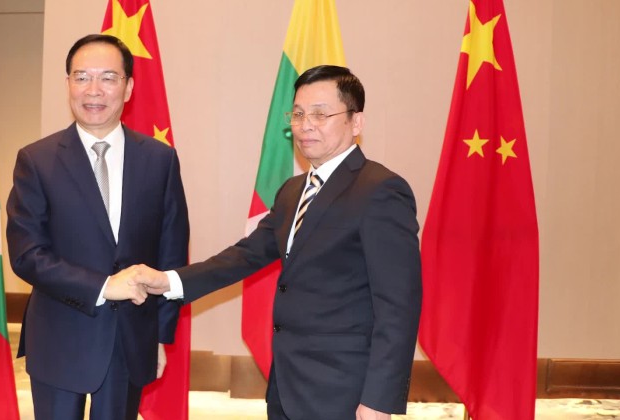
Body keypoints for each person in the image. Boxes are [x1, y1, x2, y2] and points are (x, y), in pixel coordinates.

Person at [130, 65, 421, 420]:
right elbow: (245, 256)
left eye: (320, 114)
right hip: (286, 386)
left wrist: (379, 399)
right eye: (298, 114)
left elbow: (398, 305)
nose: (305, 125)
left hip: (345, 392)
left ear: (356, 122)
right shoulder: (293, 191)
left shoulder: (380, 190)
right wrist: (169, 281)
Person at [5, 34, 189, 420]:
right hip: (59, 339)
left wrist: (159, 336)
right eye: (82, 77)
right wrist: (104, 286)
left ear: (128, 87)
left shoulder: (160, 160)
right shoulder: (36, 160)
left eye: (108, 78)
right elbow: (27, 255)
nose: (93, 90)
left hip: (130, 341)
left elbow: (171, 253)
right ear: (68, 84)